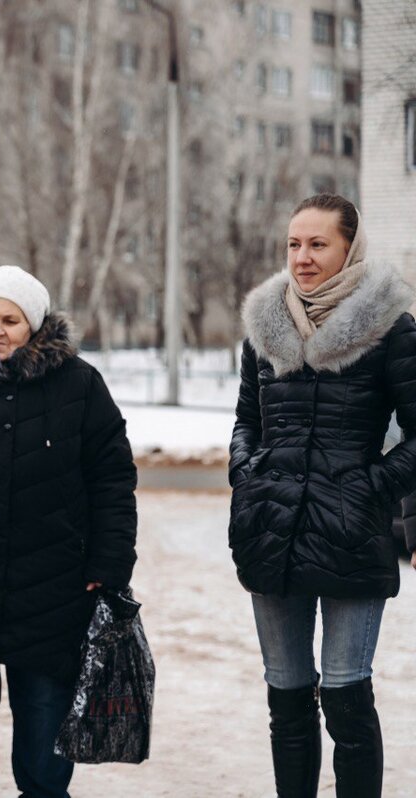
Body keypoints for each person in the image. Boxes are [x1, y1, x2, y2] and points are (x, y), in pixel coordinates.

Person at [231, 193, 416, 798]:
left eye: (317, 244)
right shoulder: (265, 325)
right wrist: (248, 474)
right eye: (294, 244)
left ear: (349, 247)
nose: (302, 257)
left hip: (351, 535)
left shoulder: (391, 328)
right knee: (286, 701)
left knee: (346, 697)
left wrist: (371, 489)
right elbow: (246, 420)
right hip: (271, 530)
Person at [0, 265, 138, 798]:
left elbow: (113, 479)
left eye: (10, 320)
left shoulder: (79, 384)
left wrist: (109, 564)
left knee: (45, 762)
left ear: (35, 324)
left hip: (55, 596)